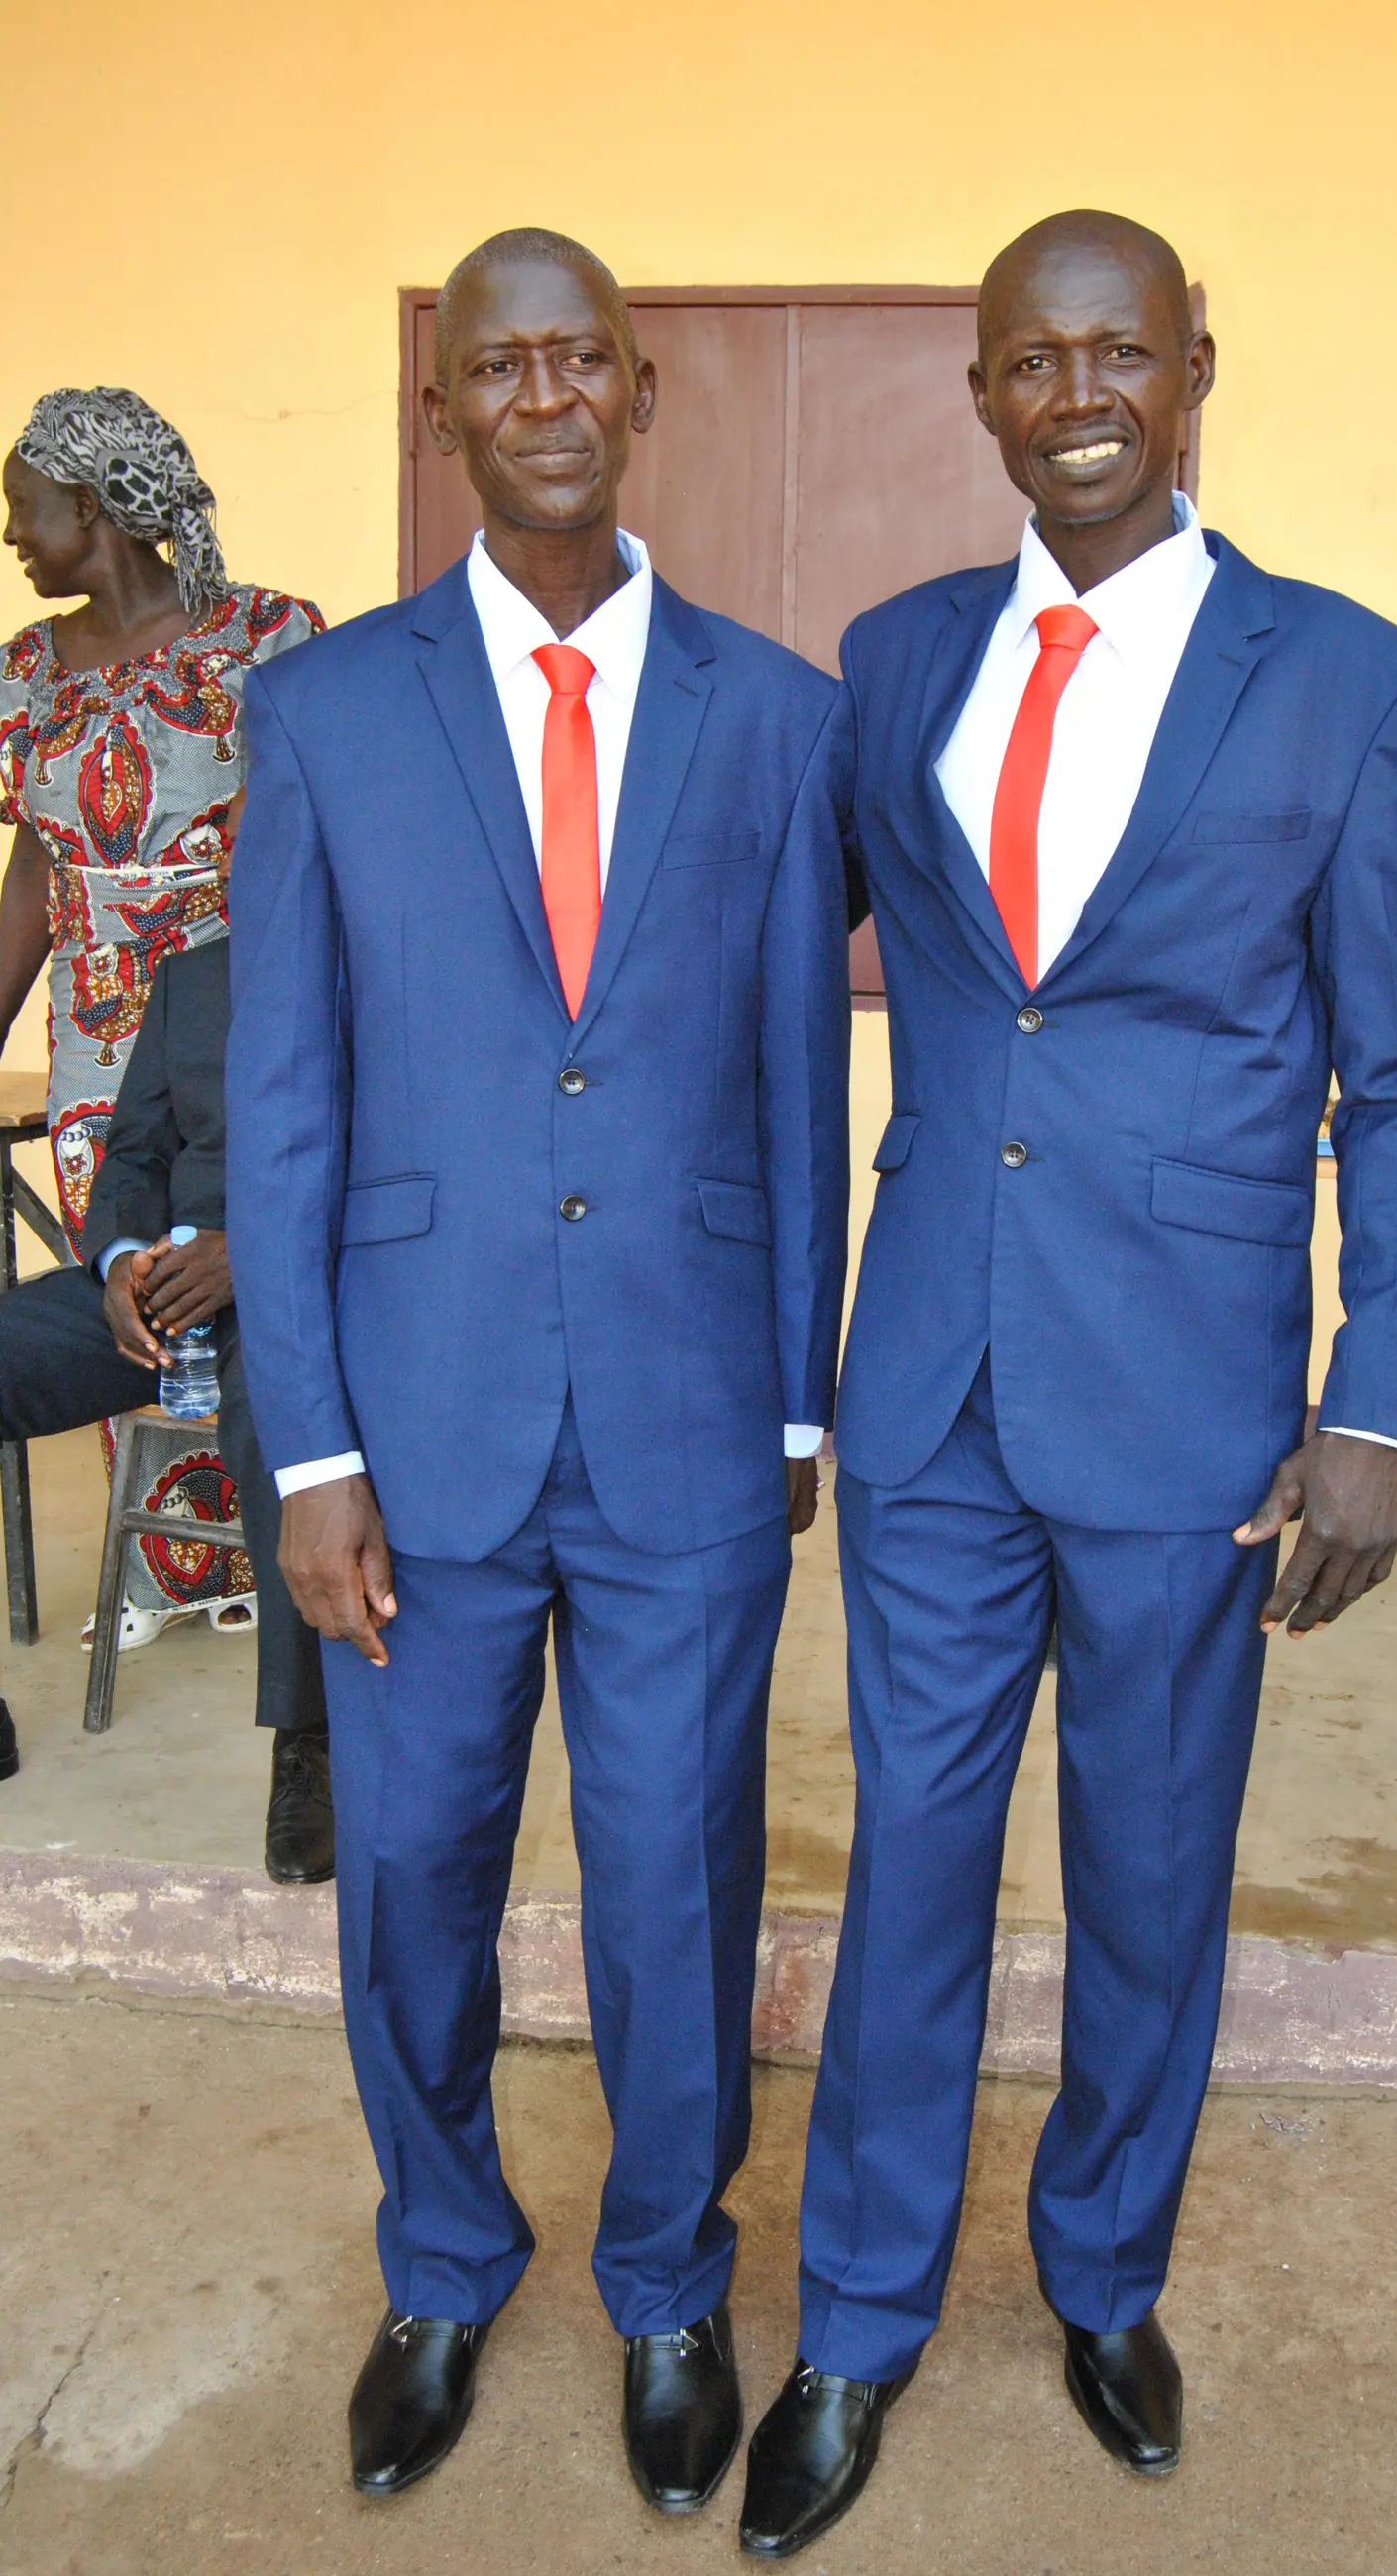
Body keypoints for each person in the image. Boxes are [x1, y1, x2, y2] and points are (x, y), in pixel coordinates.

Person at [739, 210, 1397, 2559]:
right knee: (910, 1873)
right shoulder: (894, 660)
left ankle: (1100, 2271)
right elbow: (763, 955)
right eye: (1032, 358)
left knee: (1149, 1878)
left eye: (1118, 352)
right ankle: (857, 2317)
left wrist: (1376, 1403)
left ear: (1193, 370)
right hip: (932, 1383)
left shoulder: (1351, 682)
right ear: (979, 392)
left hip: (1189, 1405)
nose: (1078, 394)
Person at [224, 229, 850, 2507]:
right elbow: (284, 1105)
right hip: (414, 1425)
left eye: (585, 359)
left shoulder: (775, 716)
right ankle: (442, 2259)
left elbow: (798, 1080)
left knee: (678, 1878)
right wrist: (309, 1450)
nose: (549, 397)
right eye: (502, 367)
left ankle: (669, 2283)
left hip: (689, 1417)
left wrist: (798, 1398)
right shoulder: (323, 714)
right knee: (413, 1874)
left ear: (639, 390)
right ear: (447, 411)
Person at [0, 388, 322, 1649]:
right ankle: (174, 1566)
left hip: (249, 1018)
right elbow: (33, 875)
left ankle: (282, 1553)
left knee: (256, 1272)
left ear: (91, 507)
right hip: (95, 1039)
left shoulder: (268, 638)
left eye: (25, 508)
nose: (12, 534)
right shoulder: (27, 673)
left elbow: (326, 837)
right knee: (133, 1290)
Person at [0, 905, 334, 1879]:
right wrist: (118, 1261)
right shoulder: (192, 980)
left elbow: (405, 1177)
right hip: (164, 1293)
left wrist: (253, 1255)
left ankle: (309, 1746)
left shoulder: (391, 970)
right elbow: (137, 1152)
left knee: (280, 1421)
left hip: (301, 1294)